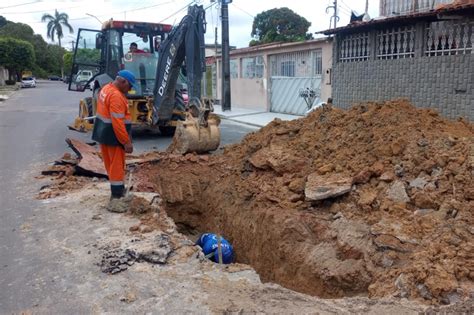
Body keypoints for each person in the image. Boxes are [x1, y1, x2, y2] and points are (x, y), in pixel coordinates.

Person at [91, 70, 136, 212]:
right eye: (129, 86)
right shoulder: (116, 96)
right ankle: (116, 198)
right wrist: (126, 141)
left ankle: (117, 190)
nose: (130, 90)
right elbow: (117, 122)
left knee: (110, 165)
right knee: (117, 167)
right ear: (123, 81)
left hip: (103, 134)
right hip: (114, 136)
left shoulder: (106, 88)